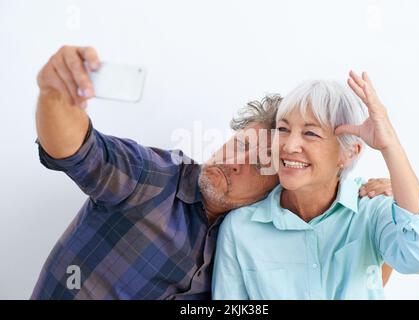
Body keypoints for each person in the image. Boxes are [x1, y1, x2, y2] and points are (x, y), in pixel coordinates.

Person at [32, 45, 393, 299]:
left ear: (275, 191)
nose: (235, 160)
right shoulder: (154, 177)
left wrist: (384, 219)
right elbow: (79, 150)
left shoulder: (251, 241)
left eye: (256, 165)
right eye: (240, 143)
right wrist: (56, 94)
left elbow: (351, 282)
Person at [212, 73, 419, 300]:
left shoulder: (372, 211)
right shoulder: (240, 227)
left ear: (348, 153)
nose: (290, 145)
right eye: (283, 129)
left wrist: (389, 145)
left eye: (311, 133)